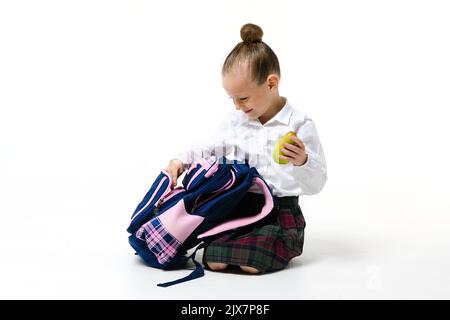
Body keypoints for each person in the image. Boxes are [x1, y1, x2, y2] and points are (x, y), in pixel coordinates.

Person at [166, 23, 327, 274]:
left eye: (243, 98)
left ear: (271, 83)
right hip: (242, 207)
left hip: (279, 211)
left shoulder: (298, 124)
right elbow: (208, 147)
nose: (238, 106)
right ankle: (239, 244)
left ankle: (270, 246)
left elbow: (317, 183)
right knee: (213, 259)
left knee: (252, 262)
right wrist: (180, 160)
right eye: (232, 99)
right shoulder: (237, 122)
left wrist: (303, 160)